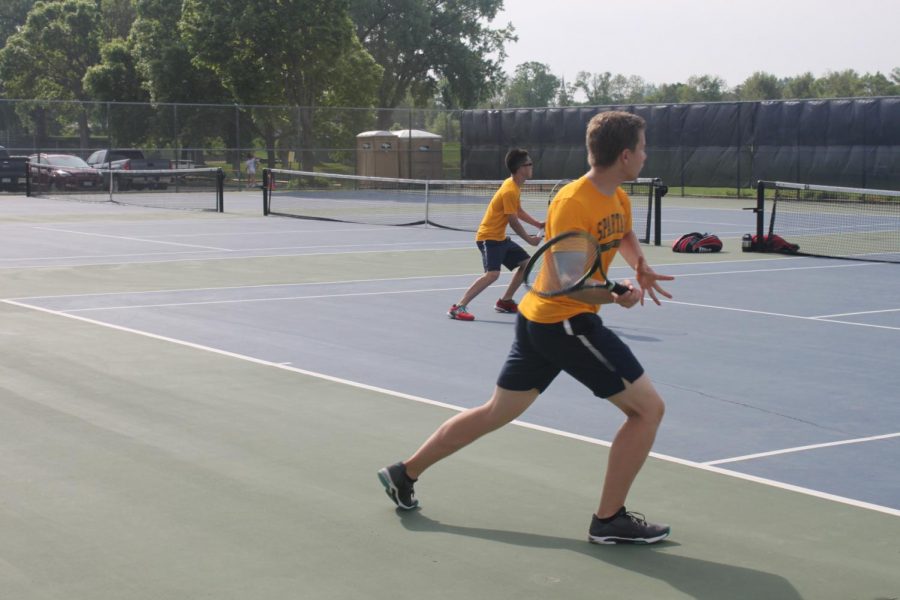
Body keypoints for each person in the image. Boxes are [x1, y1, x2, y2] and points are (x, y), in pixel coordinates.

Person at [379, 111, 676, 545]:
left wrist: (642, 267)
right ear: (626, 155)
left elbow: (624, 234)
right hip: (567, 323)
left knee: (495, 412)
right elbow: (575, 282)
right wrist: (618, 295)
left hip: (539, 320)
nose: (647, 156)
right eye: (644, 148)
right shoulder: (573, 201)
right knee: (648, 410)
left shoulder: (617, 197)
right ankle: (609, 520)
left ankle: (403, 473)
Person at [447, 148, 544, 321]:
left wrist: (537, 224)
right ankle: (458, 307)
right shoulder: (509, 190)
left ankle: (505, 301)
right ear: (521, 168)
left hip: (500, 238)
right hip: (488, 238)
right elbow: (513, 220)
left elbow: (518, 211)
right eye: (529, 164)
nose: (532, 166)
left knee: (526, 264)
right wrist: (530, 240)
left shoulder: (514, 185)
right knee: (492, 274)